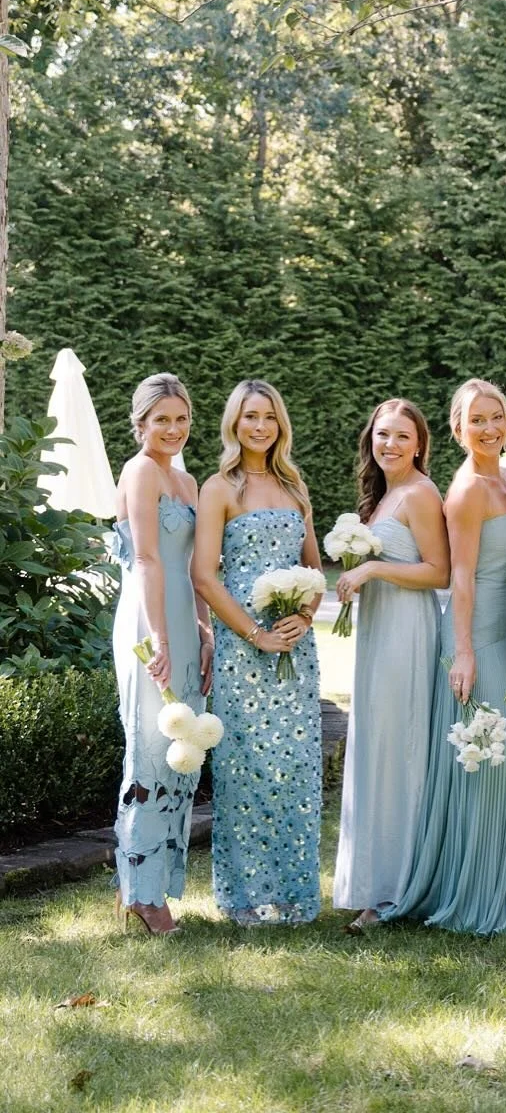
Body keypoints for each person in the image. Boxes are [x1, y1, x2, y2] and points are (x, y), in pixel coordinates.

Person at [389, 380, 506, 934]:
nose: (489, 428)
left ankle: (496, 888)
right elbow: (462, 578)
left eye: (496, 417)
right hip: (473, 638)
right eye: (477, 421)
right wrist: (463, 653)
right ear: (457, 430)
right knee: (490, 764)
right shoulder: (468, 490)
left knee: (497, 768)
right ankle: (474, 902)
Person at [193, 380, 323, 926]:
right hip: (243, 650)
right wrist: (255, 634)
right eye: (250, 417)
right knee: (246, 769)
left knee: (294, 768)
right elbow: (203, 575)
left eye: (269, 416)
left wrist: (306, 614)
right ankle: (247, 898)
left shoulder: (295, 487)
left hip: (296, 648)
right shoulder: (220, 488)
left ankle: (293, 894)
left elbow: (316, 569)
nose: (261, 427)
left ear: (280, 424)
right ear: (234, 423)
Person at [332, 399, 449, 931]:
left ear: (420, 444)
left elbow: (439, 571)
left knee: (400, 746)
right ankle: (375, 882)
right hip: (378, 631)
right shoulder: (382, 497)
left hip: (408, 632)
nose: (391, 445)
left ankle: (398, 889)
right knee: (377, 745)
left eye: (403, 436)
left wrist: (375, 566)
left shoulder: (422, 494)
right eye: (383, 435)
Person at [111, 374, 210, 935]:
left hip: (181, 621)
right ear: (141, 424)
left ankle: (157, 885)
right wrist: (163, 641)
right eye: (162, 420)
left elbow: (195, 569)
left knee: (183, 752)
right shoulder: (140, 470)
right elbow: (147, 559)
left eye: (181, 420)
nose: (173, 430)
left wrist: (203, 628)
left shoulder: (188, 479)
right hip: (148, 625)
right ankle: (141, 895)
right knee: (151, 750)